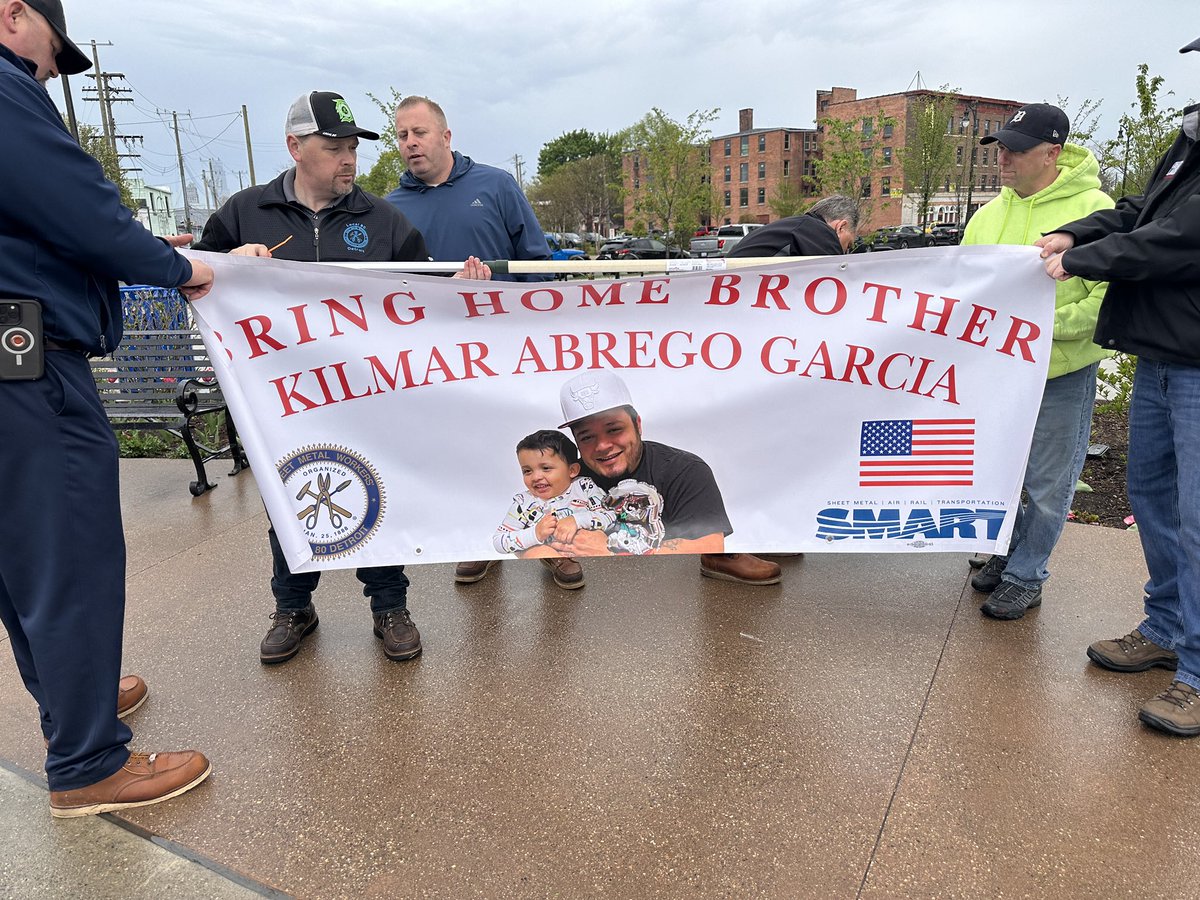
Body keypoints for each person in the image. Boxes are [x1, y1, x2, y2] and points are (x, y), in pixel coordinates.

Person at [0, 0, 215, 816]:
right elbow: (77, 207)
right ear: (15, 13)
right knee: (69, 554)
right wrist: (175, 266)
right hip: (25, 360)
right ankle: (88, 760)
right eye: (52, 58)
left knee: (21, 560)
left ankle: (75, 699)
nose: (48, 74)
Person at [195, 90, 489, 665]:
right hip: (281, 395)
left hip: (364, 394)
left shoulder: (381, 219)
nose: (348, 159)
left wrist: (463, 283)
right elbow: (192, 276)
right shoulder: (243, 213)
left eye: (352, 147)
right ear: (295, 148)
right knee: (292, 493)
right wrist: (230, 262)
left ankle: (389, 606)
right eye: (333, 148)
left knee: (376, 488)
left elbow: (424, 293)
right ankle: (293, 606)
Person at [1036, 37, 1200, 736]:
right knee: (1154, 499)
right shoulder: (1190, 140)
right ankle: (1165, 627)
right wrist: (1074, 232)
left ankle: (1196, 672)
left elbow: (1178, 240)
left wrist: (1086, 261)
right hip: (1162, 353)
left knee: (1197, 519)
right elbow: (1141, 211)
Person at [384, 96, 555, 587]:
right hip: (440, 355)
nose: (410, 143)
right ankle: (483, 541)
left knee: (536, 443)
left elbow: (539, 266)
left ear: (445, 136)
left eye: (419, 132)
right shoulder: (393, 209)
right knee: (468, 448)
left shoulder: (496, 186)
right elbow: (387, 292)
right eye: (401, 135)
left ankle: (552, 544)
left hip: (509, 347)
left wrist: (499, 298)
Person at [960, 104, 1113, 620]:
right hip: (998, 375)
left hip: (1059, 373)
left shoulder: (1094, 209)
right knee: (1004, 473)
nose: (1002, 158)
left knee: (1049, 482)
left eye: (1015, 150)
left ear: (1052, 152)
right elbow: (959, 287)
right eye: (1000, 148)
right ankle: (1007, 555)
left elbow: (1105, 299)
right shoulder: (987, 214)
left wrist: (1037, 331)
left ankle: (1028, 574)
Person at [551, 371, 783, 585]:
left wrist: (613, 549)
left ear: (638, 425)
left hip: (672, 593)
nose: (603, 446)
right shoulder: (563, 481)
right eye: (587, 437)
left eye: (614, 430)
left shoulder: (685, 469)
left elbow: (709, 546)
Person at [492, 430, 615, 588]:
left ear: (572, 470)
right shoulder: (524, 502)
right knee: (538, 552)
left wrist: (577, 520)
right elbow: (499, 541)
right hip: (548, 576)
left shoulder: (584, 487)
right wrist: (535, 533)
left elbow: (610, 516)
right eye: (527, 471)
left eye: (546, 468)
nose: (536, 477)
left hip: (593, 565)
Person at [725, 194, 860, 258]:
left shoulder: (796, 227)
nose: (845, 253)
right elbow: (832, 279)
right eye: (848, 245)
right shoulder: (820, 233)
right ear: (841, 227)